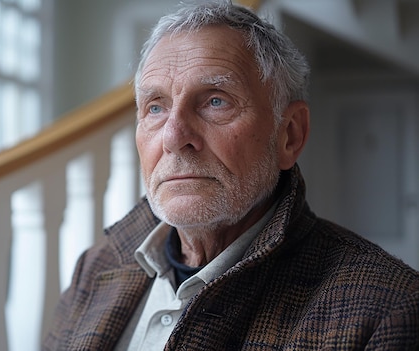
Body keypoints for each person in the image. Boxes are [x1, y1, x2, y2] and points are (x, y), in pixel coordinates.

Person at [43, 1, 419, 350]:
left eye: (215, 101)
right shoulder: (96, 268)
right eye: (155, 107)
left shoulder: (387, 308)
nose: (174, 138)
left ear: (289, 135)